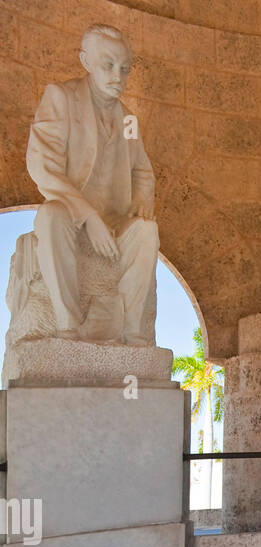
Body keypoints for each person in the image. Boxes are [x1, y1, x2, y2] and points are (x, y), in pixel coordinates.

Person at [26, 25, 158, 344]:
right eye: (108, 65)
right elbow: (42, 165)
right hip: (71, 214)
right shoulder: (61, 97)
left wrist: (141, 200)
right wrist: (87, 216)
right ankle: (67, 325)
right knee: (50, 216)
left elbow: (142, 170)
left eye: (124, 69)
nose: (117, 77)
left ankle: (130, 333)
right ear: (86, 61)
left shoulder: (129, 120)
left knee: (147, 231)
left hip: (116, 220)